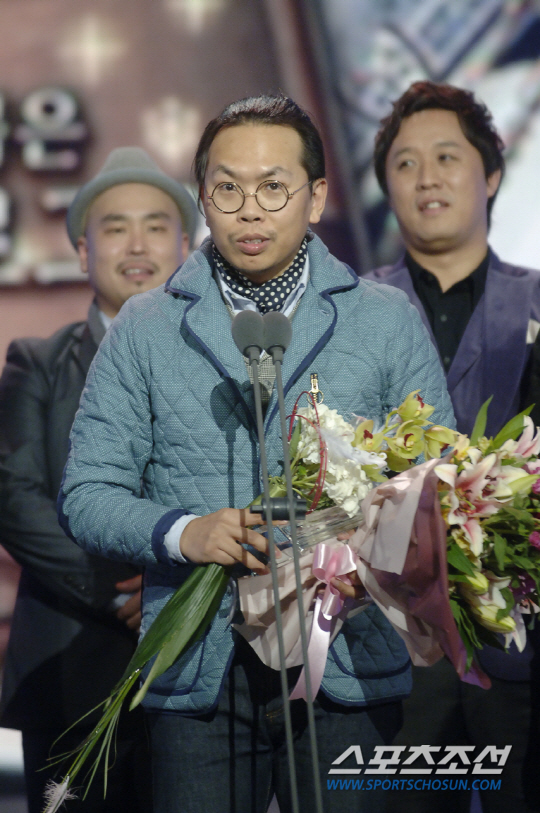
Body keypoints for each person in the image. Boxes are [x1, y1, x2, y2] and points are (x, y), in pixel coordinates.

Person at [58, 94, 454, 813]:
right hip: (198, 674)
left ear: (316, 197)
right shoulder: (146, 327)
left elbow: (437, 482)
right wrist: (184, 532)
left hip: (348, 664)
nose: (250, 210)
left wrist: (369, 562)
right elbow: (86, 491)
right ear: (202, 196)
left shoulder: (384, 319)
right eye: (228, 189)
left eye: (274, 187)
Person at [0, 146, 196, 813]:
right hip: (70, 668)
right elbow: (13, 496)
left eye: (156, 226)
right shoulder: (37, 362)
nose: (137, 245)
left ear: (186, 245)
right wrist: (116, 589)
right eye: (116, 227)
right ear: (84, 251)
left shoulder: (228, 362)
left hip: (198, 668)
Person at [366, 80, 540, 813]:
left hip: (523, 643)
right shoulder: (348, 314)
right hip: (393, 649)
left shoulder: (535, 304)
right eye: (405, 164)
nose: (427, 178)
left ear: (491, 175)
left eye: (447, 157)